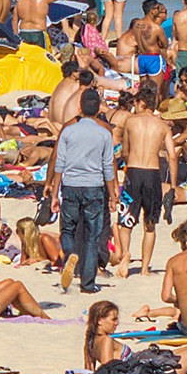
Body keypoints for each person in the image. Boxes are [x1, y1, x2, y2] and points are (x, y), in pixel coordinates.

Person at [53, 85, 116, 293]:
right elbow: (108, 166)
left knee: (67, 230)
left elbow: (59, 163)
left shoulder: (68, 131)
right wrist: (113, 195)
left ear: (80, 107)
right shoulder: (104, 133)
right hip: (94, 186)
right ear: (99, 109)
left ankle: (71, 254)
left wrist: (54, 193)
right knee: (91, 236)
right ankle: (88, 284)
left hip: (70, 184)